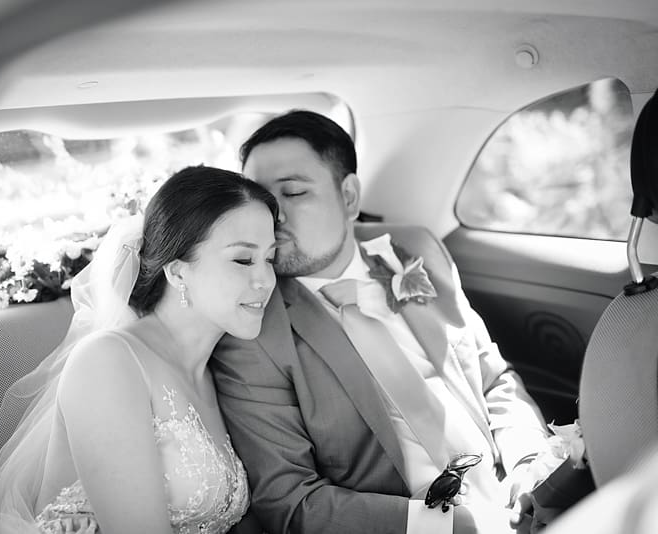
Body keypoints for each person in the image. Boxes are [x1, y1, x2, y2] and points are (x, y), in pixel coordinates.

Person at [210, 111, 551, 534]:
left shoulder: (417, 249)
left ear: (349, 196)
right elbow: (292, 501)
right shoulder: (251, 330)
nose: (272, 215)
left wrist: (529, 464)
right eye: (260, 199)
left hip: (515, 498)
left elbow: (494, 379)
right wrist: (448, 526)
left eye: (293, 192)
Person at [0, 165, 278, 534]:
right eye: (243, 260)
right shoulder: (108, 361)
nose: (266, 280)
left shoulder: (217, 374)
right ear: (177, 272)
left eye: (270, 258)